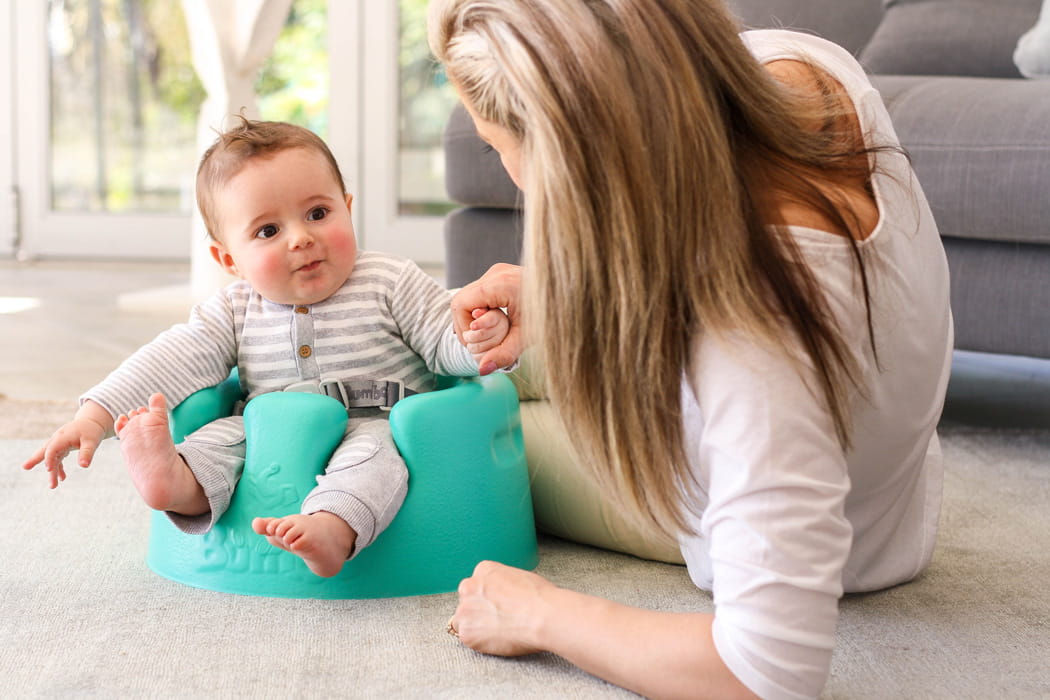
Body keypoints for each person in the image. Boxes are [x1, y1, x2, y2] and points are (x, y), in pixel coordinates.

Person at [429, 1, 953, 698]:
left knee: (454, 427)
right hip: (872, 462)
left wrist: (539, 613)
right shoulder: (794, 67)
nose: (508, 172)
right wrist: (563, 299)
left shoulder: (752, 338)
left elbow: (764, 673)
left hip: (814, 529)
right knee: (454, 348)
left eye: (495, 146)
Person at [23, 118, 509, 578]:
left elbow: (442, 340)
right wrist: (96, 415)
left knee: (374, 463)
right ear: (229, 258)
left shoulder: (389, 279)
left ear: (347, 207)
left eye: (318, 213)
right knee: (214, 443)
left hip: (376, 423)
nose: (301, 238)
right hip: (262, 432)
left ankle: (332, 529)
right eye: (268, 231)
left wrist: (477, 337)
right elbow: (172, 358)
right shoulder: (235, 309)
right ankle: (173, 481)